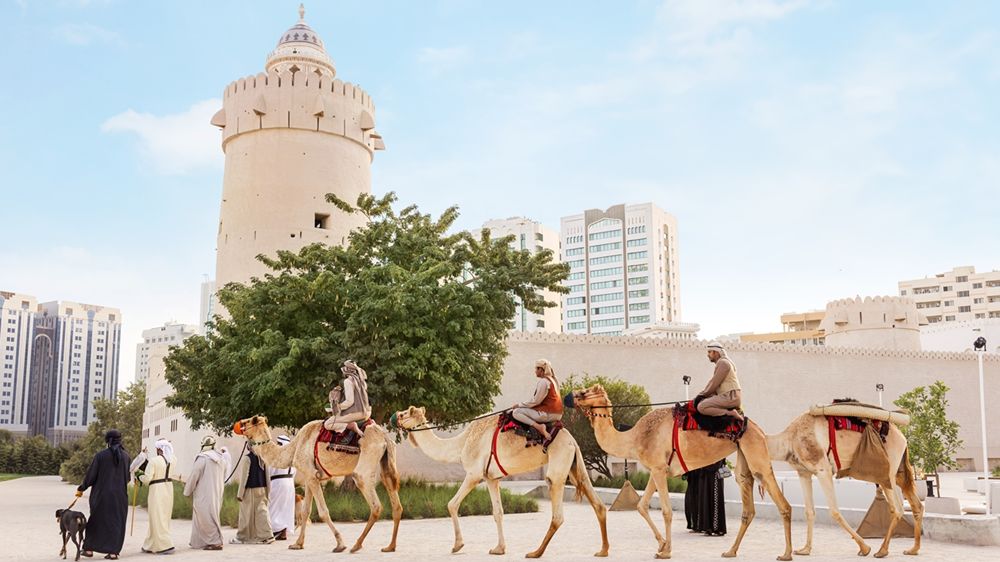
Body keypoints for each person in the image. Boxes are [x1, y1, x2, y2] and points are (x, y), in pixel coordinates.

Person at [76, 429, 130, 560]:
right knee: (117, 522)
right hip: (120, 496)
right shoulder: (126, 457)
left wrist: (82, 488)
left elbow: (91, 475)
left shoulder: (100, 456)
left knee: (96, 520)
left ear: (108, 441)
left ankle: (88, 549)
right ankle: (113, 552)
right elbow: (127, 478)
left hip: (102, 495)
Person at [183, 436, 229, 550]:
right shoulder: (221, 459)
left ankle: (215, 542)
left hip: (204, 493)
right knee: (207, 516)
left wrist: (187, 491)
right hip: (217, 492)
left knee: (205, 516)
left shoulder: (203, 458)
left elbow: (194, 475)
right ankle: (199, 542)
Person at [135, 439, 175, 554]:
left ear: (159, 449)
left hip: (157, 490)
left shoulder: (154, 461)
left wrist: (139, 475)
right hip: (168, 489)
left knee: (156, 517)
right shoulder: (173, 460)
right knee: (164, 518)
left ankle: (165, 545)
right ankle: (150, 544)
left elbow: (147, 479)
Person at [510, 359, 563, 443]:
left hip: (548, 414)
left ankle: (539, 427)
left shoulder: (543, 382)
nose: (535, 371)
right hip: (558, 414)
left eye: (536, 369)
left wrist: (518, 405)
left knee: (516, 412)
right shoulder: (553, 380)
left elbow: (536, 401)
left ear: (541, 370)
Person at [232, 443, 273, 544]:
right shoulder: (263, 457)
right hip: (262, 489)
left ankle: (242, 537)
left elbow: (244, 477)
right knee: (262, 513)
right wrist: (268, 492)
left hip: (250, 490)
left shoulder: (247, 458)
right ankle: (267, 535)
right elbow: (267, 476)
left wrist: (240, 494)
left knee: (245, 514)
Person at [323, 359, 371, 439]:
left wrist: (336, 407)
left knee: (328, 424)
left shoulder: (348, 381)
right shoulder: (361, 380)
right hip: (367, 412)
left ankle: (350, 425)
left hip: (357, 413)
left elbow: (350, 402)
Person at [696, 341, 743, 420]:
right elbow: (714, 384)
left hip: (730, 397)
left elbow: (714, 383)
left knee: (702, 407)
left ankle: (730, 413)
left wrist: (701, 395)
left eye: (710, 352)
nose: (708, 355)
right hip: (728, 396)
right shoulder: (723, 362)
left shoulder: (723, 363)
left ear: (716, 352)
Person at [684, 460, 727, 536]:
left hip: (715, 476)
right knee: (705, 501)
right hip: (705, 476)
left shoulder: (718, 449)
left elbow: (718, 462)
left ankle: (717, 528)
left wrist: (702, 464)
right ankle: (707, 528)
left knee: (715, 500)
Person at [268, 435, 296, 541]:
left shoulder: (277, 455)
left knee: (275, 507)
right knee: (285, 508)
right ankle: (283, 531)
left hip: (278, 482)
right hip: (289, 483)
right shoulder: (292, 456)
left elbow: (270, 470)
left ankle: (276, 530)